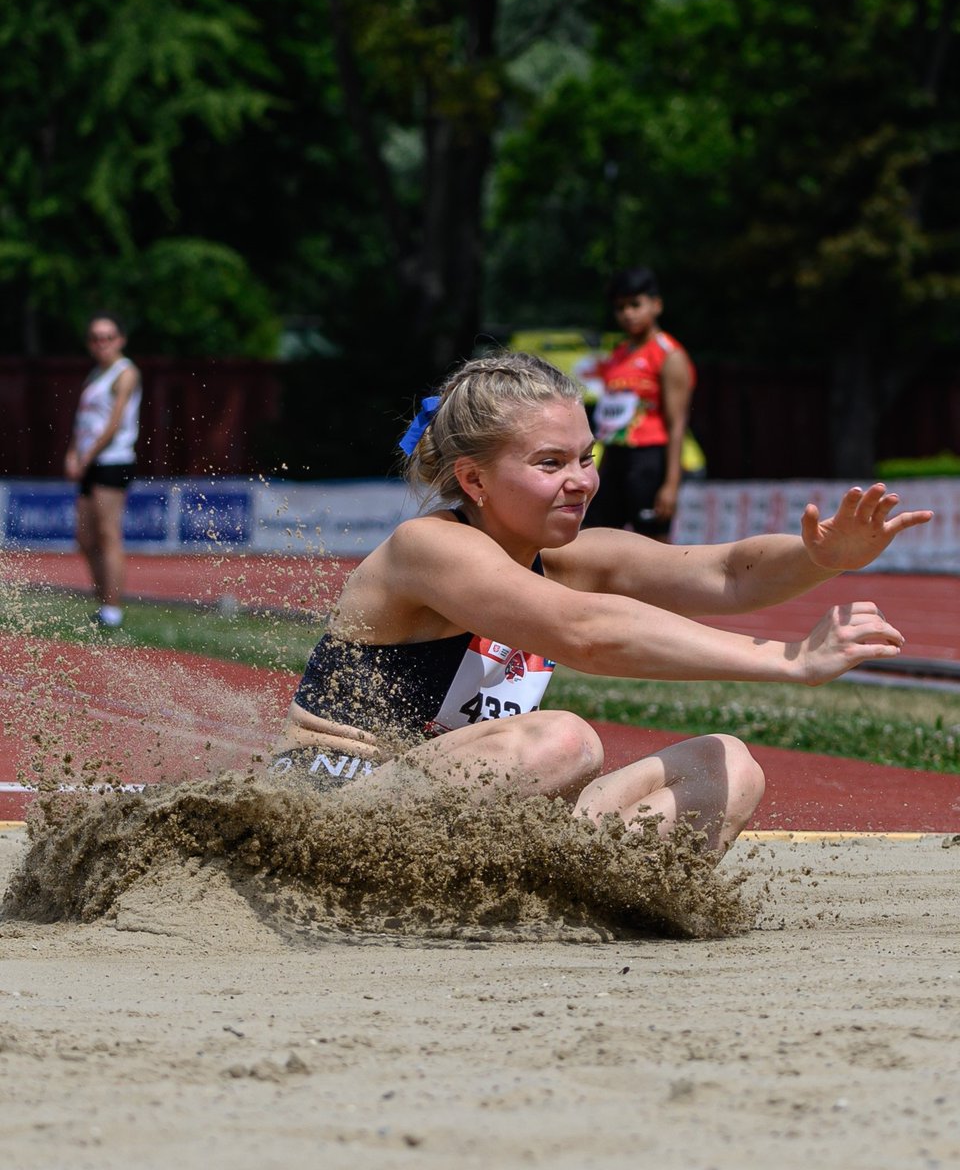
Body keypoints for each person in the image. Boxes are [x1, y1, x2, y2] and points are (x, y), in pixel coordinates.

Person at [273, 352, 931, 858]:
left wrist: (822, 556)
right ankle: (391, 884)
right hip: (334, 808)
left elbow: (728, 573)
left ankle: (558, 898)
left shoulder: (572, 558)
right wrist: (788, 659)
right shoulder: (427, 548)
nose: (581, 481)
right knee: (562, 743)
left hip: (458, 811)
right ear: (473, 479)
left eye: (586, 458)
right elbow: (583, 632)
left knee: (728, 766)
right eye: (551, 463)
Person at [583, 266, 695, 540]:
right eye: (620, 307)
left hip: (649, 459)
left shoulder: (669, 355)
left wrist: (671, 484)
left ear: (656, 305)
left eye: (635, 305)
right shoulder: (618, 354)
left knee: (654, 542)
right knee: (595, 536)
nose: (628, 313)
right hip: (615, 455)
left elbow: (677, 423)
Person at [64, 312, 142, 629]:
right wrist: (73, 452)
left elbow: (114, 423)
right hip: (90, 460)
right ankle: (102, 599)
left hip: (112, 460)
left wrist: (88, 455)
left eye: (108, 337)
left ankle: (112, 609)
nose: (102, 343)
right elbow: (83, 420)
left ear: (120, 340)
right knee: (84, 537)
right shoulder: (95, 374)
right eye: (95, 338)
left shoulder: (125, 373)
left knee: (108, 533)